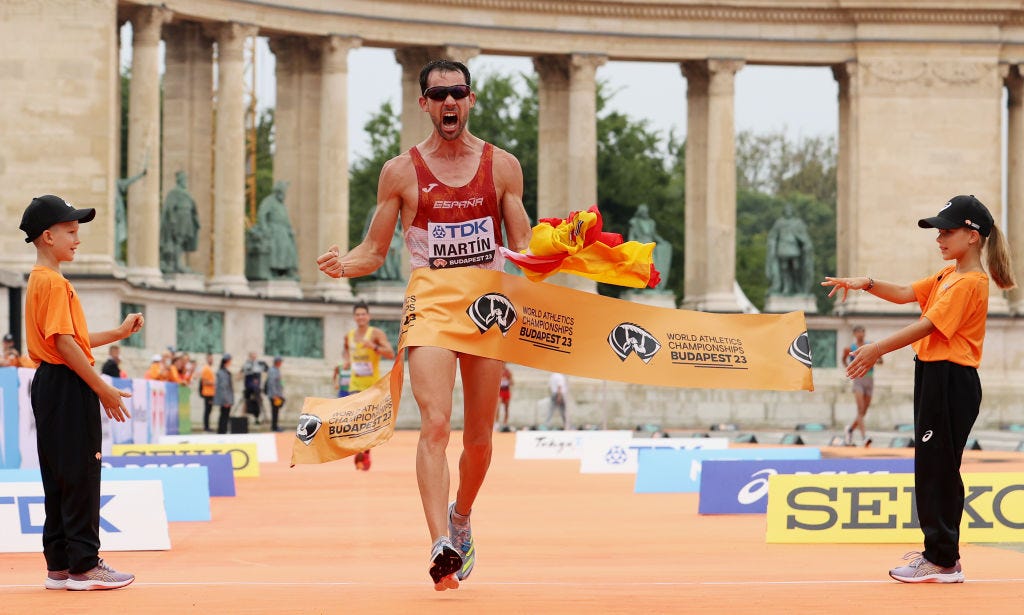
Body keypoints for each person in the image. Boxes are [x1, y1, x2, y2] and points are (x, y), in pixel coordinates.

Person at [316, 59, 531, 591]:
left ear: (471, 99)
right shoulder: (401, 172)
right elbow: (375, 248)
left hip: (485, 309)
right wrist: (344, 265)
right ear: (425, 105)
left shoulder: (502, 166)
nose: (449, 102)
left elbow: (523, 246)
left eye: (457, 92)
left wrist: (553, 253)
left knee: (480, 439)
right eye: (438, 95)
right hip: (432, 306)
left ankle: (461, 517)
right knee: (435, 425)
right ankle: (439, 542)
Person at [822, 194, 1016, 584]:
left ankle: (942, 559)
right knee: (932, 466)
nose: (939, 238)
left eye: (947, 231)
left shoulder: (970, 283)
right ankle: (943, 557)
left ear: (973, 236)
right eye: (938, 231)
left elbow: (928, 326)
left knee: (938, 469)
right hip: (933, 373)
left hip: (950, 378)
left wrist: (876, 348)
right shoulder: (948, 276)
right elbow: (905, 294)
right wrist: (867, 283)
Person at [19, 194, 144, 590]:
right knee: (81, 475)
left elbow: (73, 338)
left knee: (59, 476)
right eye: (71, 232)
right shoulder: (55, 283)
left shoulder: (39, 280)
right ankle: (85, 566)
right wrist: (103, 387)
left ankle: (60, 564)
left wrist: (118, 333)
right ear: (47, 237)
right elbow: (65, 344)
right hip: (68, 383)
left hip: (50, 383)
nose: (77, 239)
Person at [344, 301, 396, 471]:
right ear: (354, 317)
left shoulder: (375, 333)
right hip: (354, 384)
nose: (360, 317)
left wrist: (373, 346)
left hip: (372, 386)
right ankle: (361, 451)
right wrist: (345, 362)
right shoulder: (349, 336)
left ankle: (365, 452)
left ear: (368, 316)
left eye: (363, 314)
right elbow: (346, 351)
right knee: (355, 420)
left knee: (367, 424)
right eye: (357, 314)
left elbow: (390, 353)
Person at [841, 325, 882, 446]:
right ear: (854, 334)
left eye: (862, 332)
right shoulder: (850, 348)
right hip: (858, 379)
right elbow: (844, 359)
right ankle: (864, 437)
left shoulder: (871, 345)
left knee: (864, 411)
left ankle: (850, 430)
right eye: (858, 332)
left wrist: (875, 359)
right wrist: (849, 369)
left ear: (865, 333)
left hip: (869, 379)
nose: (860, 334)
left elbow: (881, 360)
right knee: (860, 409)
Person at [766, 203, 815, 296]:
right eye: (786, 210)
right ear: (784, 212)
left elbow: (804, 237)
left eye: (790, 210)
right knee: (784, 268)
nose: (788, 212)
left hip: (794, 249)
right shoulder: (779, 223)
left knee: (796, 267)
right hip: (783, 248)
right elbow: (773, 236)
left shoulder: (798, 223)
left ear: (792, 211)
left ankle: (797, 286)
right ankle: (786, 287)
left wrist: (806, 245)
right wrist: (772, 247)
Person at [255, 180, 299, 279]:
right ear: (278, 192)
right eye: (283, 192)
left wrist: (290, 229)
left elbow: (285, 219)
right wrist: (264, 228)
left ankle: (287, 270)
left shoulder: (281, 204)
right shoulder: (269, 201)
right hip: (274, 230)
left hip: (283, 231)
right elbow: (262, 214)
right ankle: (274, 270)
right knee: (277, 250)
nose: (284, 195)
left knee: (289, 250)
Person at [159, 170, 200, 273]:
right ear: (179, 180)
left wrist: (195, 219)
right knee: (179, 240)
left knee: (183, 241)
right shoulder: (174, 193)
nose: (186, 182)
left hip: (187, 218)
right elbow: (170, 208)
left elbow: (193, 208)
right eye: (184, 179)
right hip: (180, 219)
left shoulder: (186, 194)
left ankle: (178, 263)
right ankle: (177, 264)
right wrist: (173, 220)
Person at [242, 352, 268, 425]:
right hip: (249, 387)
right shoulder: (247, 365)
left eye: (255, 357)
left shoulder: (258, 365)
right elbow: (244, 371)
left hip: (256, 388)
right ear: (249, 357)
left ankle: (258, 418)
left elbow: (266, 369)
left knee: (258, 402)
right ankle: (243, 418)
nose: (254, 358)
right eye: (252, 357)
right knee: (246, 402)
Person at [212, 354, 234, 435]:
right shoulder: (222, 373)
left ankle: (222, 431)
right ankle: (222, 432)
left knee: (224, 415)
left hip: (226, 398)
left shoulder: (224, 372)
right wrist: (226, 400)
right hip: (225, 399)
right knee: (224, 416)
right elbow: (223, 387)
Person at [265, 356, 285, 432]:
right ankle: (274, 427)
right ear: (278, 362)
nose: (281, 363)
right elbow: (272, 383)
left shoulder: (276, 370)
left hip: (277, 394)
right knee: (275, 410)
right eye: (280, 362)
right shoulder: (273, 370)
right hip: (275, 395)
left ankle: (275, 426)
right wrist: (275, 394)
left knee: (276, 410)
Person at [198, 353, 216, 432]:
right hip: (207, 393)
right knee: (207, 410)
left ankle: (207, 426)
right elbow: (204, 382)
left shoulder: (209, 368)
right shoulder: (206, 369)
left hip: (211, 392)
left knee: (209, 410)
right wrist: (213, 383)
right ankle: (206, 426)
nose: (211, 360)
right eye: (210, 359)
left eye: (212, 359)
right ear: (207, 359)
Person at [497, 364, 513, 429]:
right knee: (497, 408)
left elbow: (512, 382)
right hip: (500, 391)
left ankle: (505, 423)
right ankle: (496, 423)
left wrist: (507, 381)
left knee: (506, 409)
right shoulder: (497, 371)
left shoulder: (508, 372)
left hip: (506, 391)